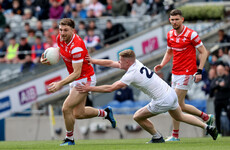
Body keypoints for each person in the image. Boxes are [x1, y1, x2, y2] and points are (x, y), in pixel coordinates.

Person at [76, 49, 218, 143]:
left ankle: (157, 137)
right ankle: (207, 127)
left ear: (127, 61)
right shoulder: (135, 63)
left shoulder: (131, 73)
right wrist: (93, 61)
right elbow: (110, 63)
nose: (118, 63)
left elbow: (111, 88)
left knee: (137, 116)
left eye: (121, 61)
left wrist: (89, 88)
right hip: (170, 93)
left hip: (162, 100)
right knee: (180, 116)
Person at [40, 18, 116, 146]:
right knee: (78, 113)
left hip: (85, 78)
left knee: (66, 108)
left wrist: (59, 84)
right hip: (77, 77)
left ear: (73, 30)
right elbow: (60, 51)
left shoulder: (77, 47)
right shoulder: (60, 38)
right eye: (60, 30)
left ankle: (69, 139)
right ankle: (106, 113)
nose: (62, 33)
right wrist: (48, 57)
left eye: (65, 30)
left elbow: (77, 73)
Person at [154, 9, 214, 141]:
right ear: (169, 20)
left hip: (187, 72)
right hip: (175, 72)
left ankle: (175, 135)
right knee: (180, 106)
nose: (174, 22)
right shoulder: (170, 34)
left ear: (182, 19)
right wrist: (162, 64)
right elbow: (169, 52)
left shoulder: (191, 34)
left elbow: (204, 52)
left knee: (172, 103)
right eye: (172, 19)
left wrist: (199, 71)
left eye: (176, 19)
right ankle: (207, 117)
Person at [210, 63, 230, 136]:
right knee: (217, 116)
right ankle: (218, 132)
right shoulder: (215, 79)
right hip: (217, 100)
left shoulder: (227, 77)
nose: (219, 71)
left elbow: (226, 86)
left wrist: (217, 87)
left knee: (229, 115)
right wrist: (219, 85)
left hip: (226, 99)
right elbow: (212, 88)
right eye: (218, 70)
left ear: (224, 70)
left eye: (221, 70)